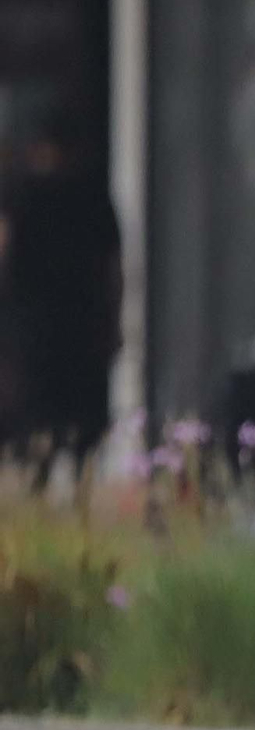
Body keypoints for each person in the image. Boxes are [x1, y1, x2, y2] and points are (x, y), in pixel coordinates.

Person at [0, 108, 121, 474]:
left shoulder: (23, 197)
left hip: (35, 328)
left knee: (35, 425)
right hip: (81, 323)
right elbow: (112, 271)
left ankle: (37, 482)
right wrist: (112, 322)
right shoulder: (92, 196)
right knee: (82, 424)